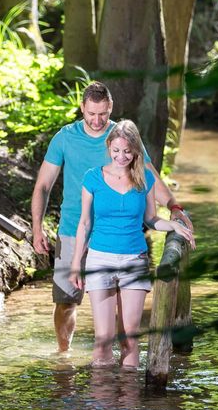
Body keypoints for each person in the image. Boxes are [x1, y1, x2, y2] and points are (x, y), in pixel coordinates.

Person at [31, 81, 193, 352]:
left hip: (117, 235)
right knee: (66, 301)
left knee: (120, 303)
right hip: (73, 230)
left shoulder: (122, 138)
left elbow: (149, 174)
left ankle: (122, 361)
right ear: (82, 108)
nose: (97, 120)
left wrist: (174, 207)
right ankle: (64, 353)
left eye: (103, 114)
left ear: (111, 109)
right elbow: (43, 186)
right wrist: (37, 229)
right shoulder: (65, 137)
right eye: (91, 113)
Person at [69, 120, 195, 369]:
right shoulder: (92, 178)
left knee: (129, 339)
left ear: (136, 150)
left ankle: (129, 403)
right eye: (116, 150)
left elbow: (150, 219)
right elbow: (84, 224)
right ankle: (102, 404)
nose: (121, 156)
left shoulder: (145, 179)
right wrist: (76, 263)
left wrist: (175, 225)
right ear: (109, 147)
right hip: (99, 260)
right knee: (103, 341)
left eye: (127, 151)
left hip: (133, 261)